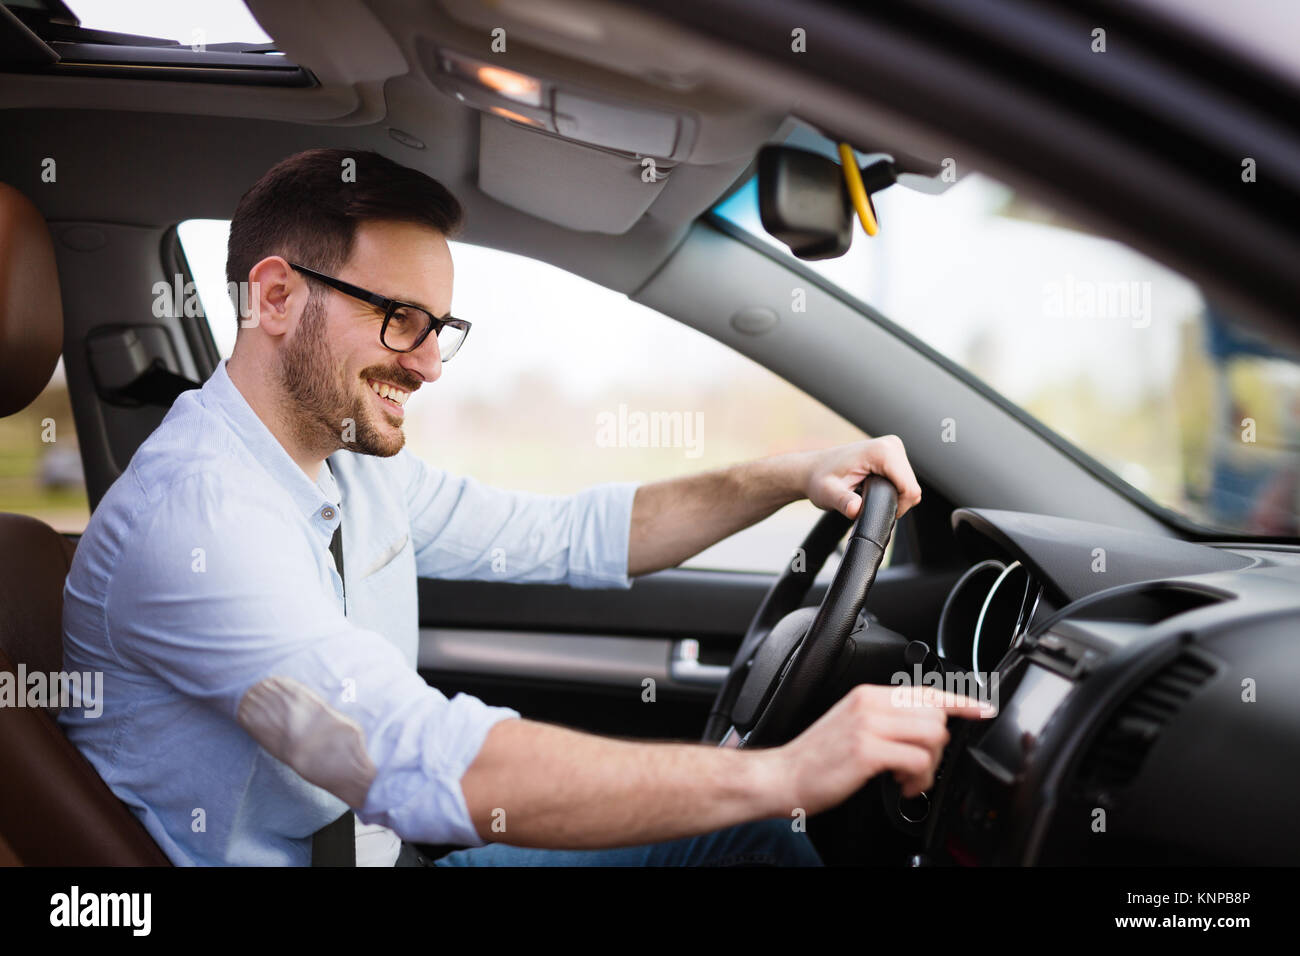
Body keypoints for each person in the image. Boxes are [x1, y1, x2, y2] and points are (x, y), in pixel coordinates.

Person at [59, 148, 989, 867]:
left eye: (441, 330)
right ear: (273, 296)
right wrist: (786, 771)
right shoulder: (198, 521)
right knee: (762, 831)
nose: (426, 362)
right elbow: (412, 754)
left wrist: (787, 475)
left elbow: (571, 534)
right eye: (402, 319)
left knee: (757, 849)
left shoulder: (350, 466)